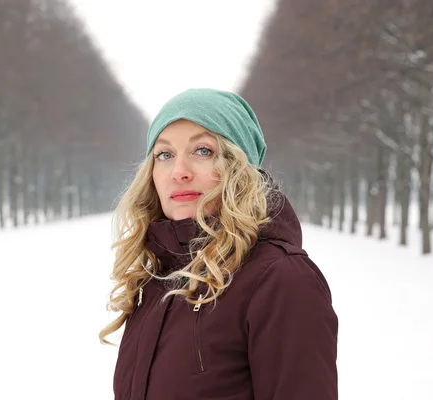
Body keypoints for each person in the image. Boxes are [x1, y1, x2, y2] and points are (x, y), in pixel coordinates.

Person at [100, 88, 338, 400]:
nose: (179, 172)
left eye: (203, 151)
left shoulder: (281, 279)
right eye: (165, 154)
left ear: (239, 168)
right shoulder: (156, 279)